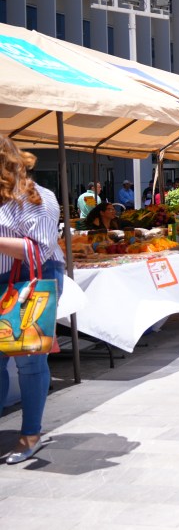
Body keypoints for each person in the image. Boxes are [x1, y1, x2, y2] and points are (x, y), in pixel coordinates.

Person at [0, 135, 65, 464]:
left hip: (30, 279)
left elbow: (38, 250)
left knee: (28, 359)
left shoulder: (36, 197)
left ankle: (31, 434)